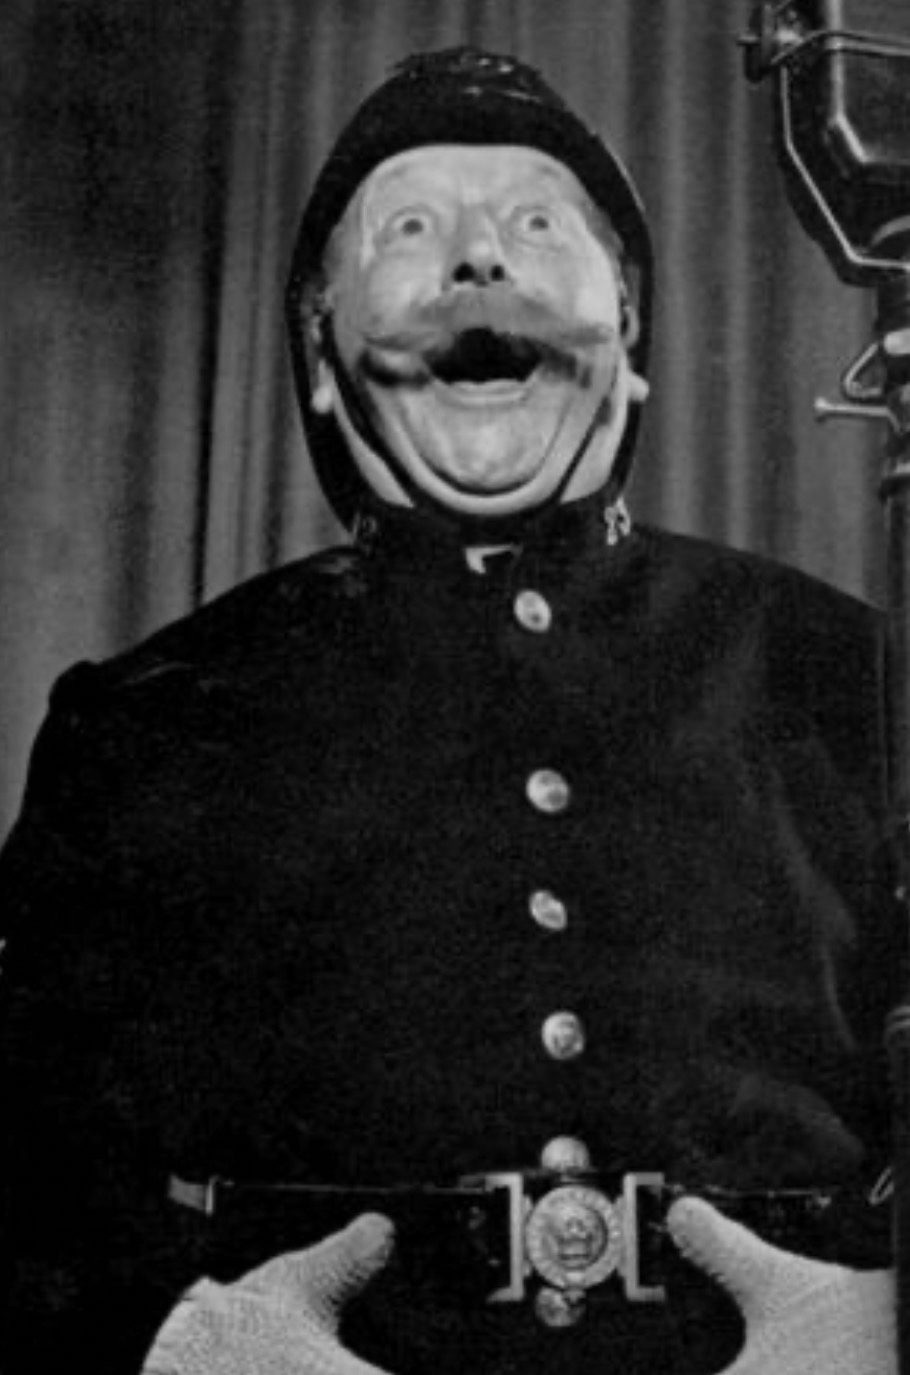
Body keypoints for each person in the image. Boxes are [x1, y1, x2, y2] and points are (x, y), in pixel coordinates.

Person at [0, 45, 900, 1375]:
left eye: (535, 224)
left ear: (629, 329)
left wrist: (892, 1327)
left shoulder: (850, 675)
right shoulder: (143, 726)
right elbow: (21, 1168)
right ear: (322, 355)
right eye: (410, 230)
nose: (479, 256)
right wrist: (174, 1339)